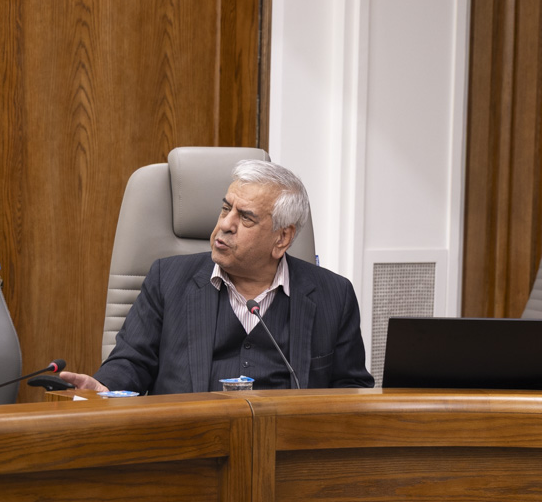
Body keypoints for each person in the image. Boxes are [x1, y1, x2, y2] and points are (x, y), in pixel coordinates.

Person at [60, 160, 373, 394]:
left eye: (245, 218)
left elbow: (351, 389)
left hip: (286, 451)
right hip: (190, 447)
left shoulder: (334, 294)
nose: (225, 224)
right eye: (226, 209)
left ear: (282, 238)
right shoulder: (167, 279)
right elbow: (132, 361)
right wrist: (104, 386)